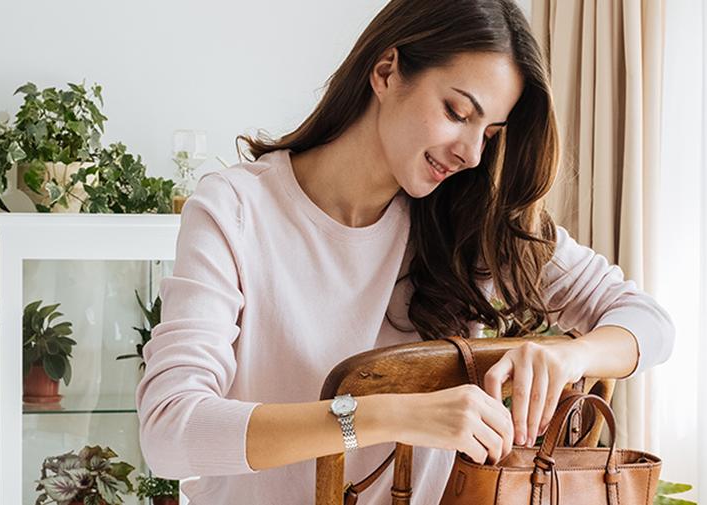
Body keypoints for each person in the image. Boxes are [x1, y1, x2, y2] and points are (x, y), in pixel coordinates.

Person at [135, 0, 675, 503]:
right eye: (457, 112)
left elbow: (649, 322)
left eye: (489, 133)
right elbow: (170, 430)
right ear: (387, 70)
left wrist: (569, 353)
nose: (469, 153)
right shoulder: (236, 210)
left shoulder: (472, 224)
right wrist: (391, 414)